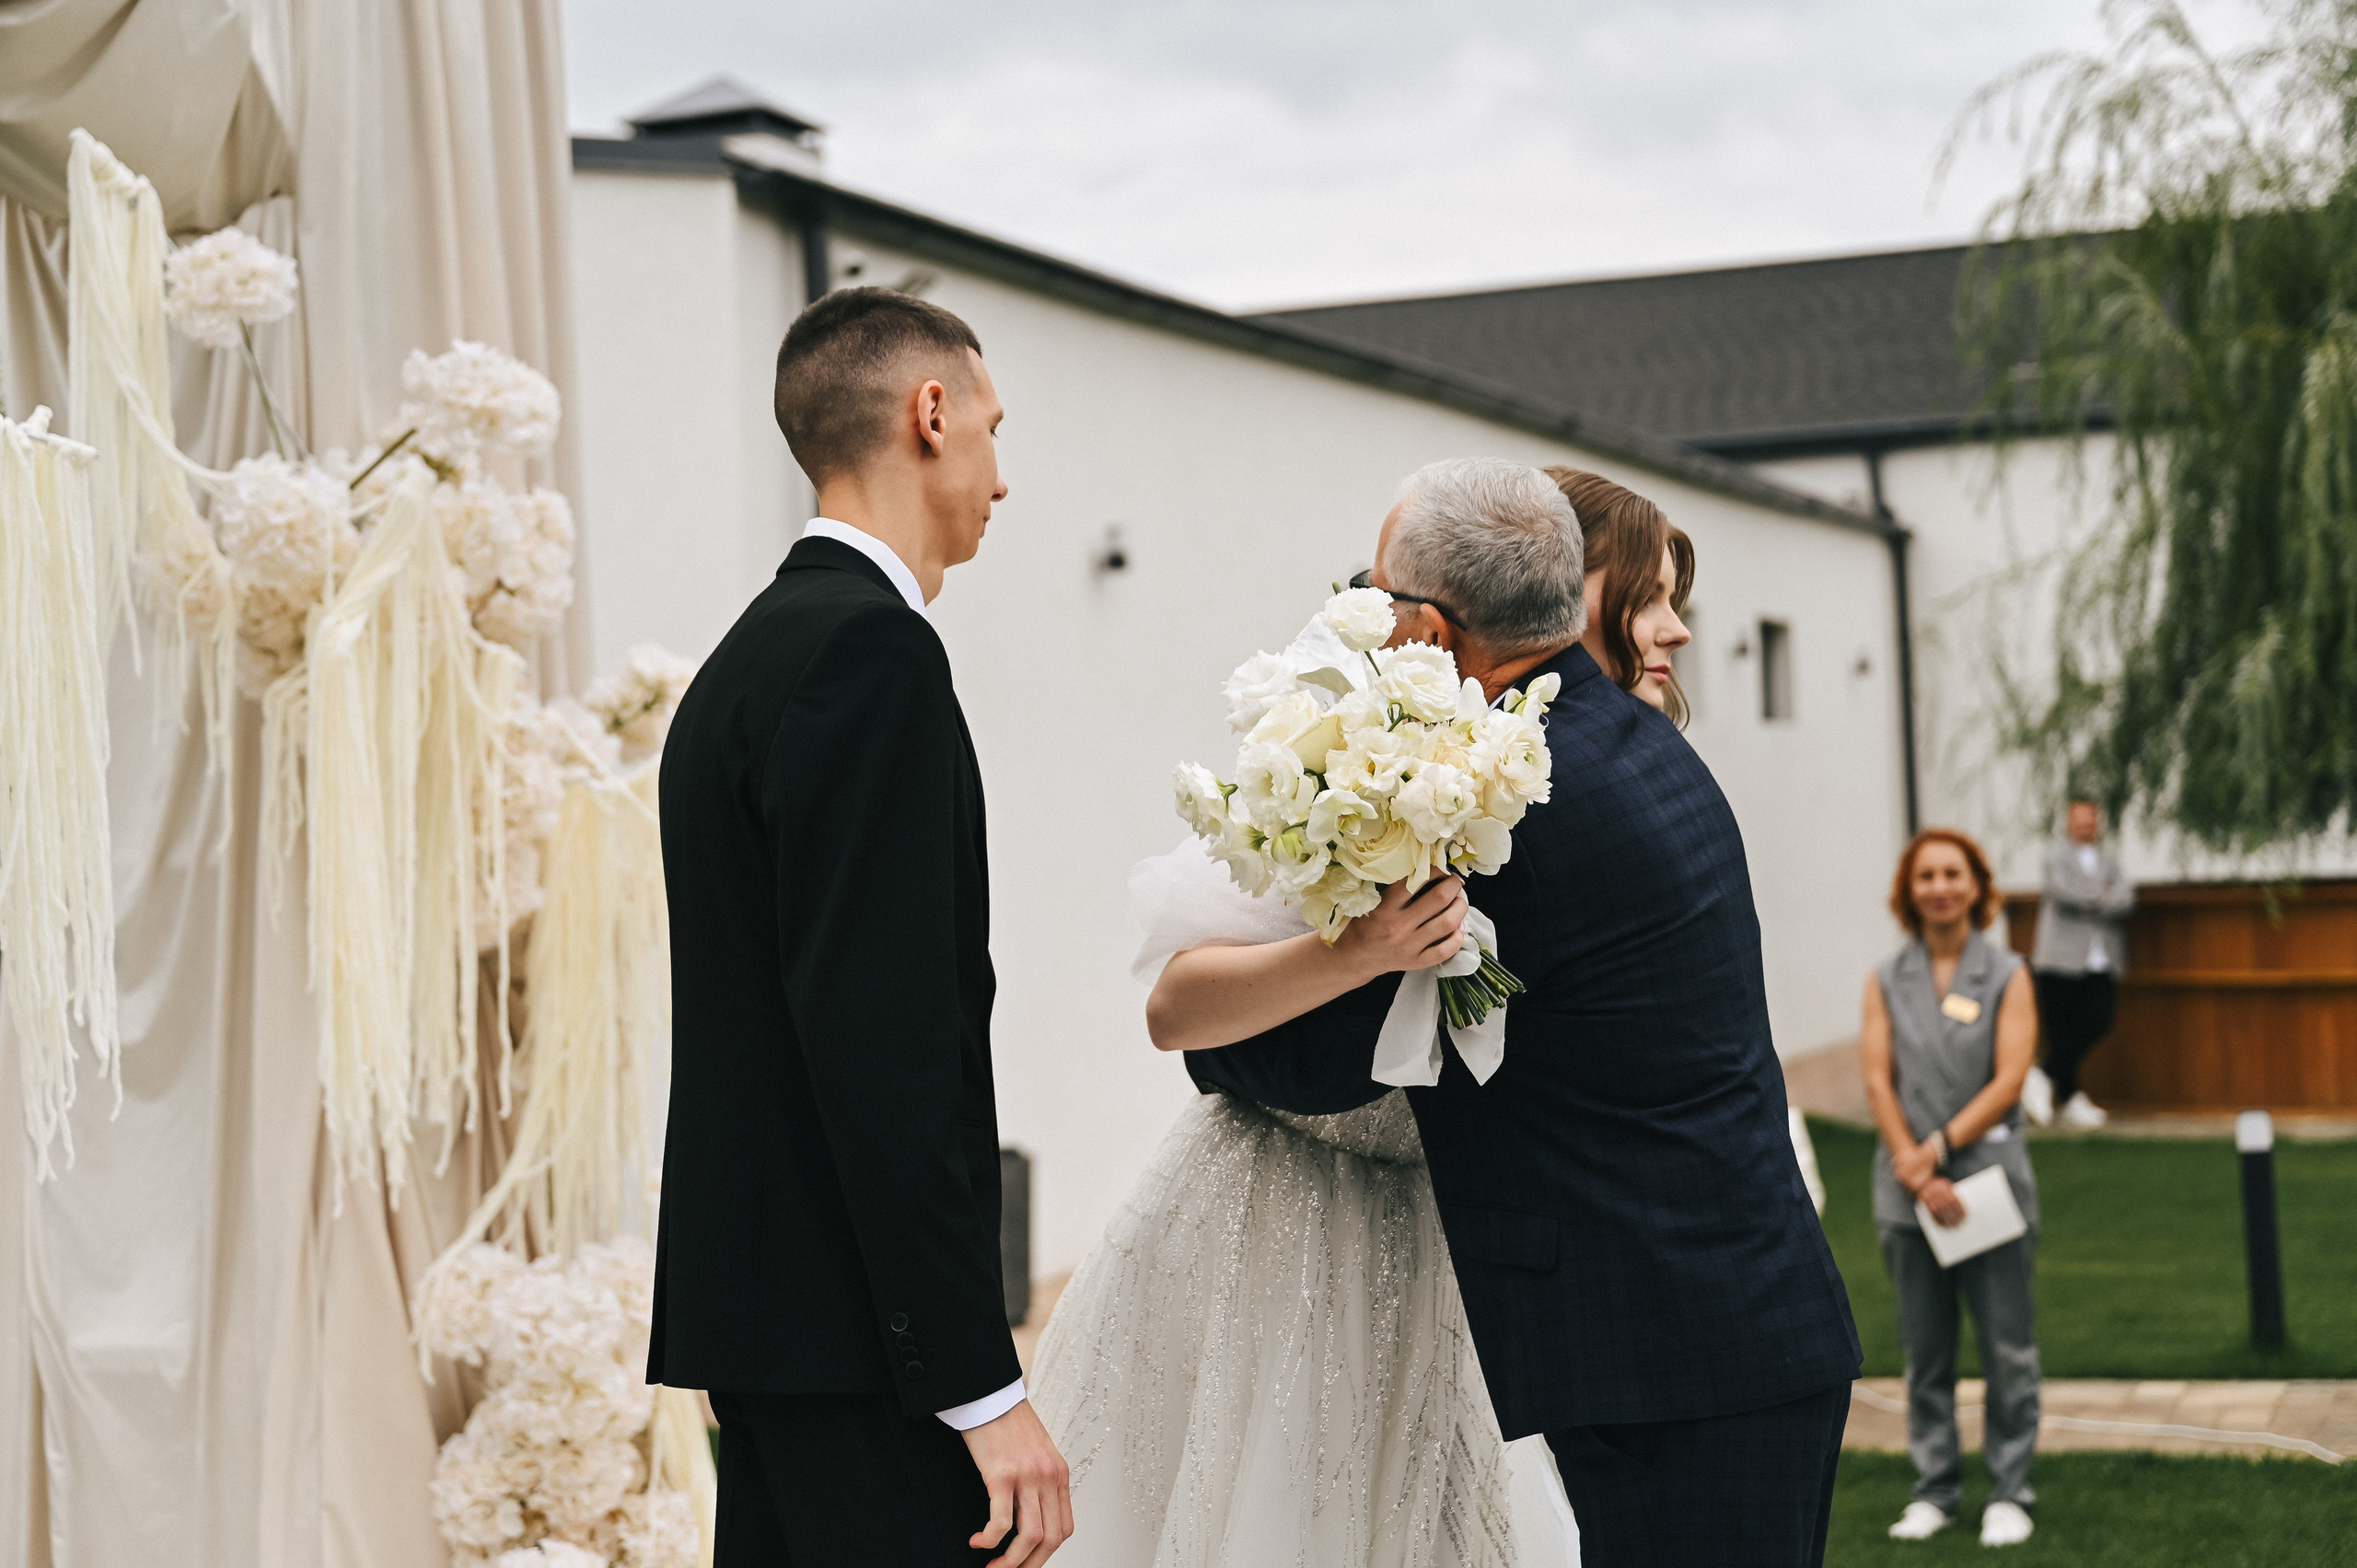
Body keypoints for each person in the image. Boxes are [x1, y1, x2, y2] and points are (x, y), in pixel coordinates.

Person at [1182, 459, 1863, 1567]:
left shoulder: (1517, 810)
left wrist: (1214, 1029)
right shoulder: (1625, 744)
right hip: (1723, 1335)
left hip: (1680, 1369)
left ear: (1432, 628)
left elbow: (1334, 1059)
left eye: (1378, 591)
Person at [651, 287, 1072, 1567]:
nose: (1004, 475)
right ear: (929, 413)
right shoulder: (867, 656)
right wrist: (981, 1386)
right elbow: (882, 1051)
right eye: (995, 428)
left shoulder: (748, 662)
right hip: (864, 1352)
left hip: (785, 1336)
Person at [1859, 829, 2042, 1549]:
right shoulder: (1885, 978)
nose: (1940, 885)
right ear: (1910, 889)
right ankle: (1934, 1488)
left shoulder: (2007, 972)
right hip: (1907, 1191)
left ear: (1976, 886)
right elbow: (1877, 1077)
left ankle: (2011, 1490)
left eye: (1952, 873)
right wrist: (1913, 1163)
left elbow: (2009, 1079)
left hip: (1987, 1187)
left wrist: (1935, 1150)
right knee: (1925, 1351)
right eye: (1926, 874)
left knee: (2008, 1349)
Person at [2025, 798, 2133, 1129]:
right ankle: (2070, 1098)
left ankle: (2042, 1075)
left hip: (2100, 958)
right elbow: (2062, 892)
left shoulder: (2109, 861)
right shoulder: (2056, 856)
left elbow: (2127, 898)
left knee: (2100, 1017)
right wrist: (2101, 896)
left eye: (2091, 820)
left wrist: (2094, 898)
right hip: (2060, 957)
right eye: (2080, 819)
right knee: (2062, 1029)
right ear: (2070, 822)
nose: (2086, 825)